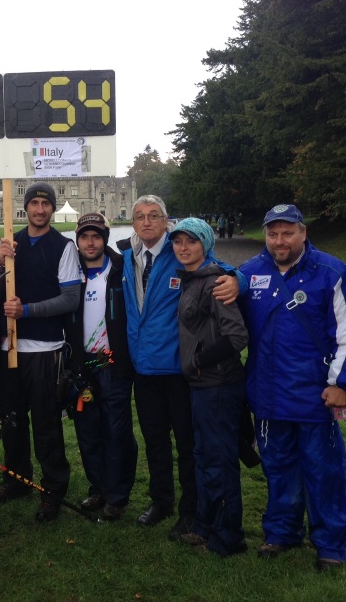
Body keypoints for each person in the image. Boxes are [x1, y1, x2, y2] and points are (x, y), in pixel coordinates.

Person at [117, 194, 246, 540]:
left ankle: (191, 511)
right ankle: (161, 501)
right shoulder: (127, 258)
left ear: (166, 221)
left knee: (187, 446)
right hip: (143, 370)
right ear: (133, 222)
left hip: (177, 370)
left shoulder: (177, 253)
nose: (146, 222)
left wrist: (239, 280)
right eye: (140, 216)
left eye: (154, 216)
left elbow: (218, 269)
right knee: (154, 442)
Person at [239, 204, 346, 570]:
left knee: (324, 472)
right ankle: (282, 532)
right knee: (278, 468)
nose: (279, 241)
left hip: (316, 397)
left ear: (303, 232)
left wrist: (344, 384)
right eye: (272, 234)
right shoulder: (249, 272)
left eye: (287, 233)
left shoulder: (332, 272)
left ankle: (330, 545)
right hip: (268, 395)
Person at [0, 182, 83, 522]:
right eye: (35, 203)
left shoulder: (63, 247)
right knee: (12, 423)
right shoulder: (11, 245)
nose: (40, 209)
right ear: (25, 208)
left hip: (44, 349)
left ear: (53, 208)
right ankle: (16, 480)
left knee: (45, 423)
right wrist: (0, 264)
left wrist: (25, 311)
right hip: (10, 348)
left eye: (46, 203)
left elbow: (69, 299)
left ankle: (53, 488)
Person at [169, 218, 249, 556]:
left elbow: (237, 336)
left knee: (219, 461)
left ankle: (228, 538)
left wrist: (200, 361)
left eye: (191, 241)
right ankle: (205, 524)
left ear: (205, 244)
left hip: (218, 386)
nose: (183, 248)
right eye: (178, 242)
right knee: (203, 459)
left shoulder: (216, 282)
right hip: (199, 386)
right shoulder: (191, 280)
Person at [64, 212, 137, 521]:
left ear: (104, 239)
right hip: (82, 365)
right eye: (84, 237)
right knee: (88, 431)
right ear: (77, 240)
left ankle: (117, 496)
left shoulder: (122, 268)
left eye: (95, 236)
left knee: (116, 431)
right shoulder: (69, 271)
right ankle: (99, 488)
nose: (90, 242)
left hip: (113, 363)